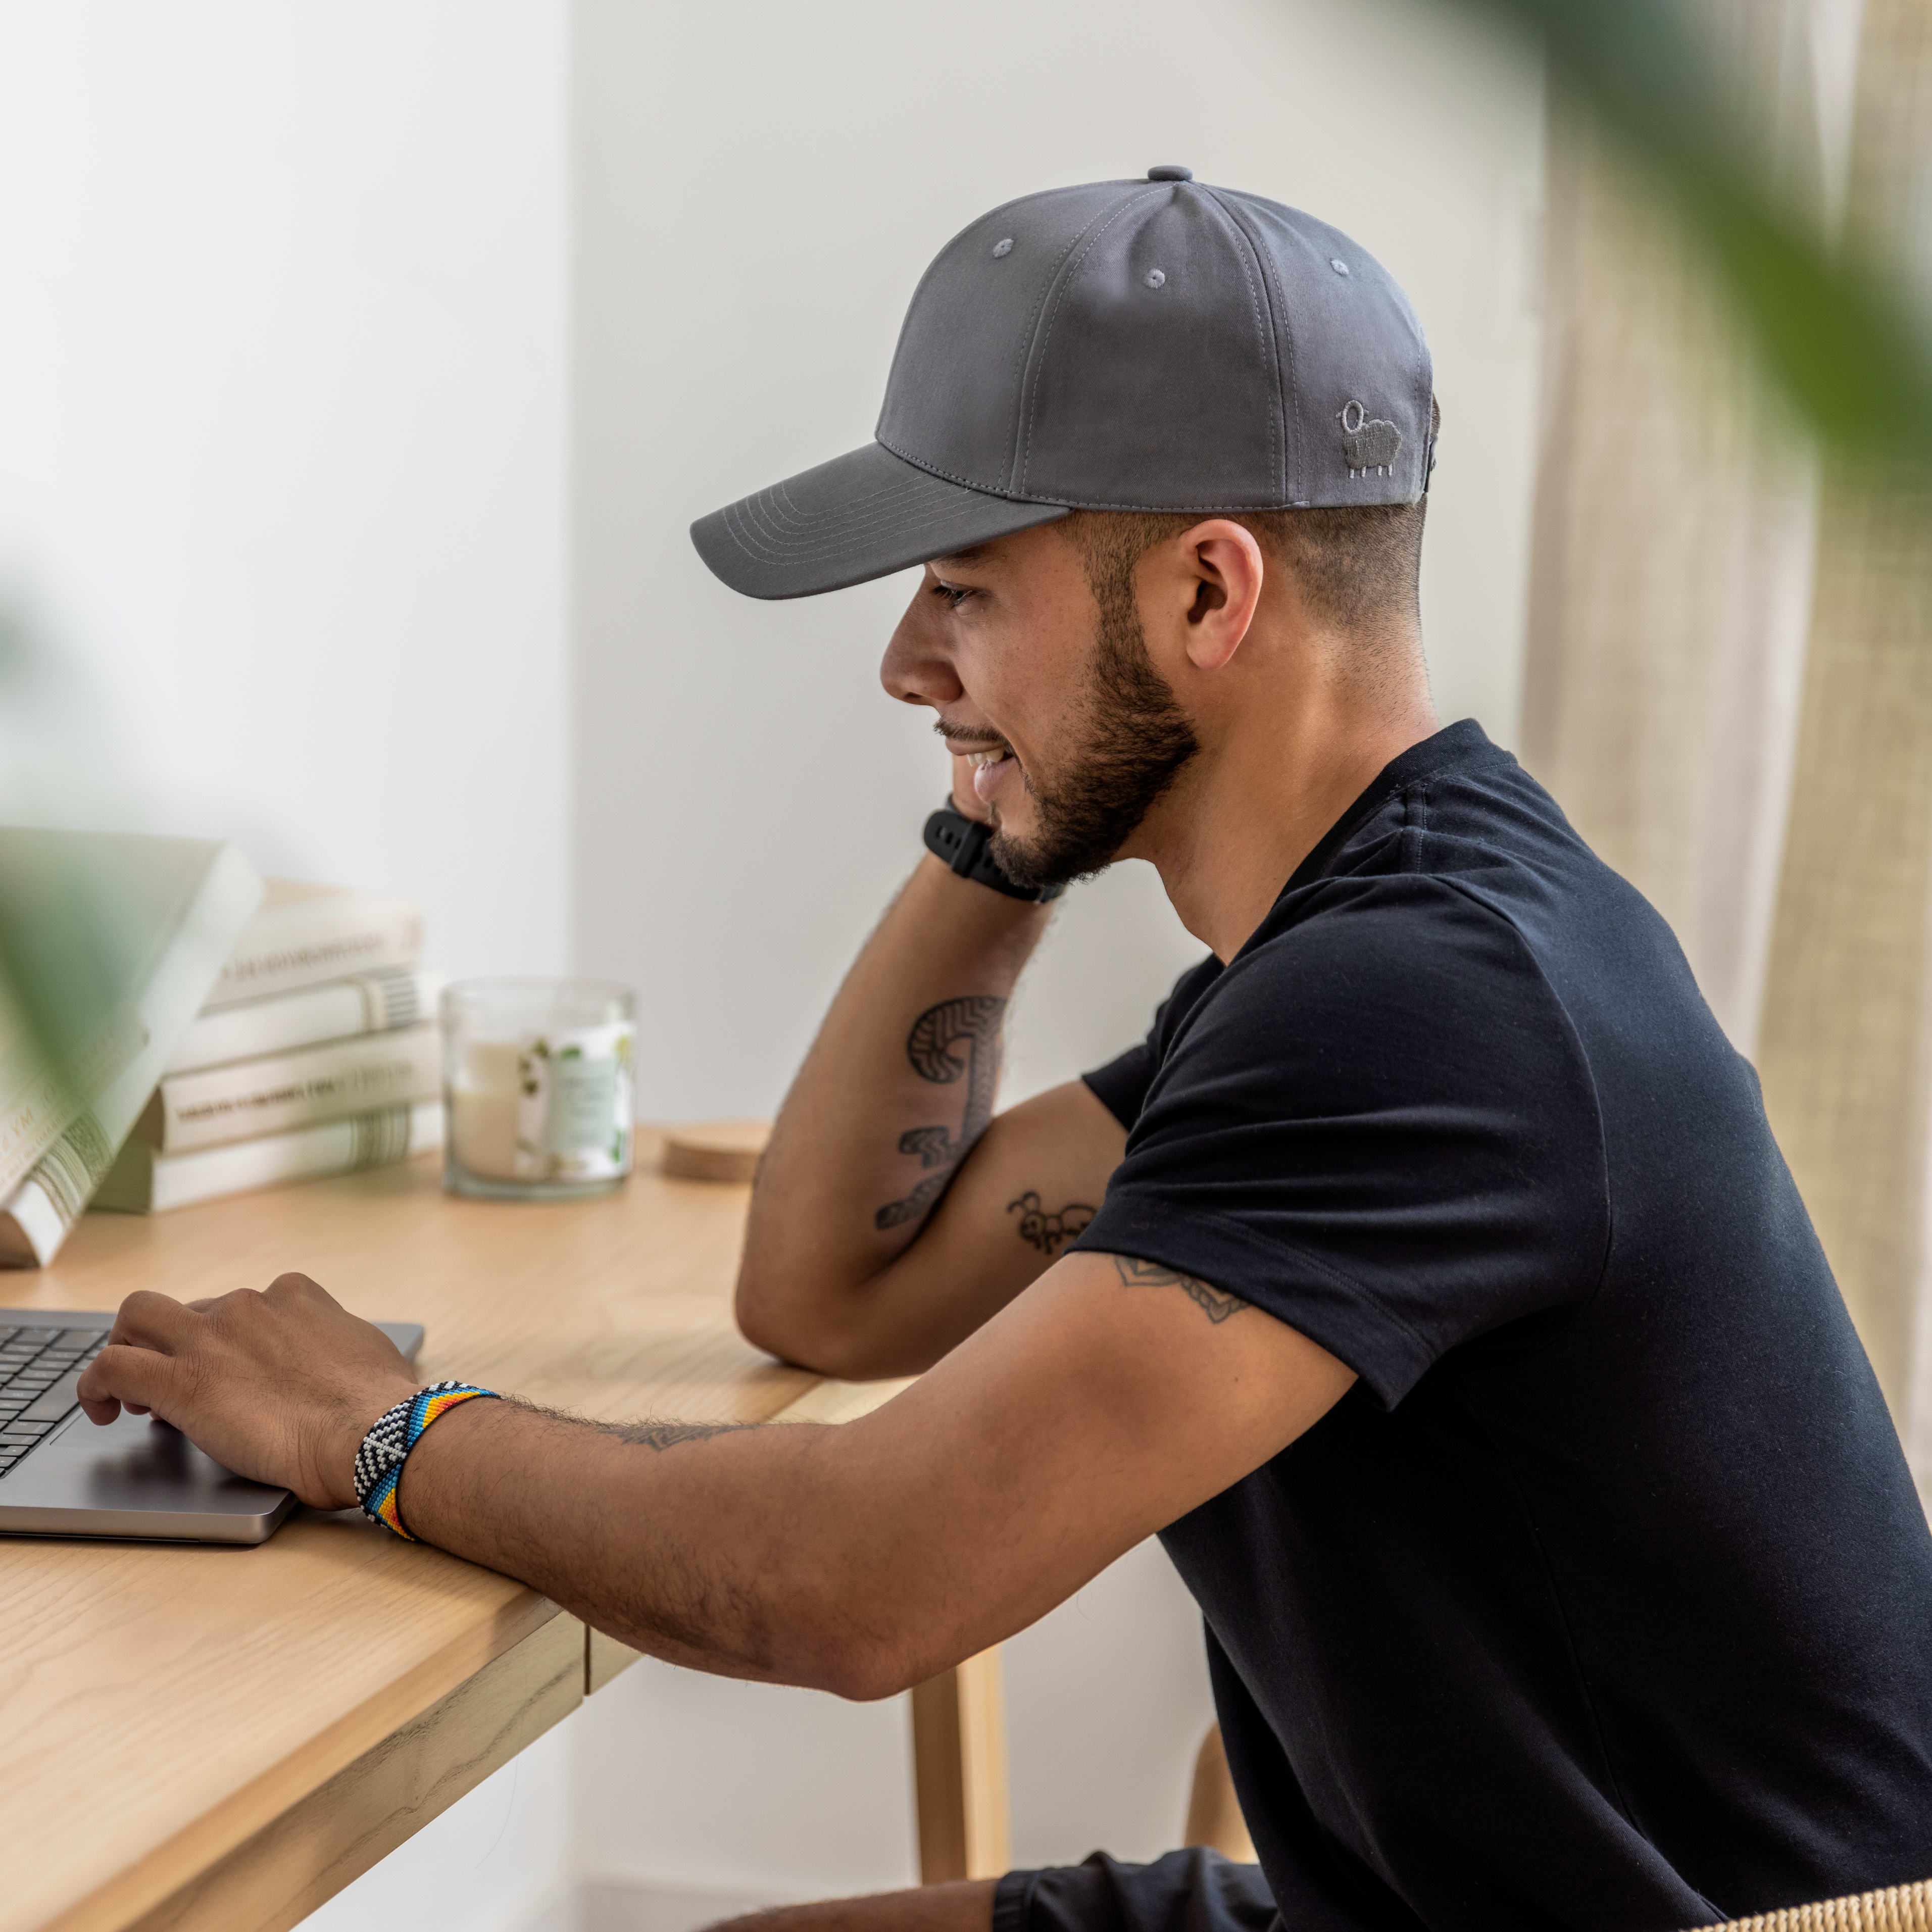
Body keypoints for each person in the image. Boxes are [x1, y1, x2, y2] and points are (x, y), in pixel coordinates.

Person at [78, 170, 1932, 1931]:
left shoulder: (1423, 1007)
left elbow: (849, 1584)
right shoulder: (1357, 944)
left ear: (1212, 595)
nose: (900, 658)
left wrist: (363, 1425)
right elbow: (833, 1288)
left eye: (960, 588)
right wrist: (1009, 801)